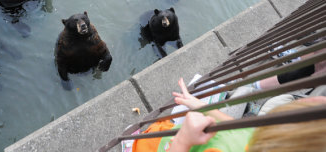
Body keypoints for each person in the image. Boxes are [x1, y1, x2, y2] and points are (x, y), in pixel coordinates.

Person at [130, 79, 326, 152]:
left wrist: (182, 141)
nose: (321, 99)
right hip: (177, 135)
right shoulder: (264, 136)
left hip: (163, 147)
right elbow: (236, 127)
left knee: (144, 139)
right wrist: (200, 106)